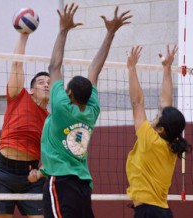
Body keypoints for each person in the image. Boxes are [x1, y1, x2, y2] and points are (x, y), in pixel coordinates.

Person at [27, 3, 132, 218]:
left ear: (70, 95)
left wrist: (63, 30)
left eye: (66, 89)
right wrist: (110, 33)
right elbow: (95, 68)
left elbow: (54, 66)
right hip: (82, 183)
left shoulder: (61, 109)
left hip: (61, 183)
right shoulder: (91, 109)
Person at [126, 45, 192, 218]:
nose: (155, 115)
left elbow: (137, 102)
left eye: (157, 116)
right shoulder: (171, 144)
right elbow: (166, 103)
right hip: (160, 211)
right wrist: (167, 68)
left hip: (149, 212)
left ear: (161, 129)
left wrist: (131, 68)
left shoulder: (150, 140)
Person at [0, 32, 50, 218]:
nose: (46, 85)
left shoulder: (51, 119)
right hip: (3, 173)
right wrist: (24, 35)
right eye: (41, 82)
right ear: (31, 90)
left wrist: (41, 172)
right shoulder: (18, 96)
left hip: (30, 177)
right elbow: (16, 63)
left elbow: (51, 153)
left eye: (49, 83)